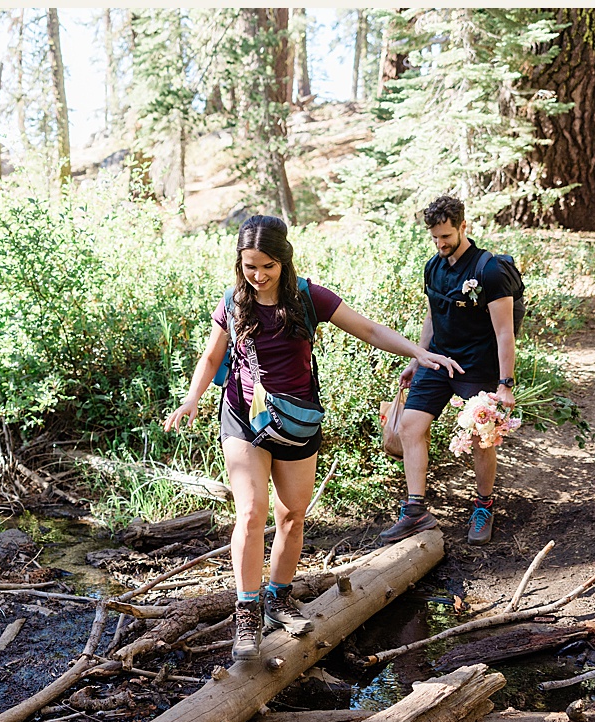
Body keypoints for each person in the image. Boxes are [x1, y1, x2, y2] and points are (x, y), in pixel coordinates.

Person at [163, 215, 463, 662]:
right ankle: (246, 614)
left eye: (267, 266)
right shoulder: (233, 301)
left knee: (293, 516)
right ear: (239, 264)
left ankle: (277, 599)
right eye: (249, 267)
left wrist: (418, 351)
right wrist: (191, 399)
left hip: (297, 421)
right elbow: (211, 356)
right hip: (244, 418)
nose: (258, 275)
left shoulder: (308, 296)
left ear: (283, 260)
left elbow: (368, 329)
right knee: (250, 512)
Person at [381, 196, 522, 546]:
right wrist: (417, 358)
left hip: (477, 365)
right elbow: (434, 315)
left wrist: (505, 384)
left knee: (480, 437)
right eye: (434, 238)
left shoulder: (489, 270)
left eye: (446, 236)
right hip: (438, 359)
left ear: (463, 226)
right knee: (411, 426)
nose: (441, 243)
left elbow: (505, 331)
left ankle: (483, 506)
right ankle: (416, 512)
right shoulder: (434, 266)